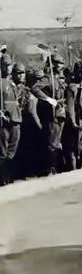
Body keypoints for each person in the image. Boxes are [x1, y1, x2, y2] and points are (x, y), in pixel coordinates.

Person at [31, 53, 67, 174]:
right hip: (52, 115)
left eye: (62, 63)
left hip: (61, 113)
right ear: (53, 64)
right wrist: (48, 99)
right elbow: (35, 88)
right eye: (58, 63)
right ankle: (49, 168)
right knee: (51, 144)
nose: (61, 65)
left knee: (57, 143)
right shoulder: (48, 78)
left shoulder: (57, 78)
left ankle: (55, 166)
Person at [63, 61, 82, 170]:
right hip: (75, 121)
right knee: (73, 148)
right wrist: (72, 121)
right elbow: (70, 106)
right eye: (80, 72)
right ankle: (74, 170)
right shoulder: (72, 87)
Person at [0, 57, 25, 185]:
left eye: (10, 65)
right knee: (3, 151)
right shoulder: (1, 83)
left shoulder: (12, 83)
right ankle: (3, 178)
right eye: (5, 65)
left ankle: (8, 176)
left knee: (12, 151)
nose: (8, 68)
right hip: (5, 121)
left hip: (16, 119)